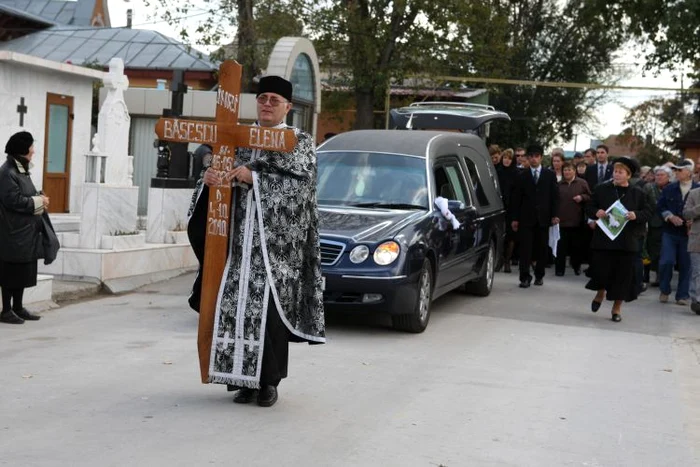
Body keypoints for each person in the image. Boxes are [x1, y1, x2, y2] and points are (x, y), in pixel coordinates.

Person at [187, 76, 325, 407]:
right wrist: (208, 182)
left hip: (276, 249)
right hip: (237, 243)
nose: (266, 104)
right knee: (234, 308)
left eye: (274, 100)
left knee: (270, 315)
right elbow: (219, 178)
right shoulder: (236, 138)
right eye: (262, 98)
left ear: (288, 107)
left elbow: (302, 191)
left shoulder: (298, 141)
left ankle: (268, 383)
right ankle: (240, 380)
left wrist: (256, 178)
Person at [586, 157, 653, 322]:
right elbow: (589, 206)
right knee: (601, 271)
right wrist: (596, 212)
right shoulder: (602, 189)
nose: (616, 174)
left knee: (622, 277)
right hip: (604, 240)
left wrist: (635, 215)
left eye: (620, 172)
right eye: (615, 171)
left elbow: (649, 212)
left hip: (626, 242)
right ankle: (600, 292)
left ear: (628, 175)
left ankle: (617, 309)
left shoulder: (638, 193)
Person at [0, 131, 50, 324]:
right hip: (12, 231)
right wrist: (37, 201)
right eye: (31, 148)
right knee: (9, 272)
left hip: (24, 232)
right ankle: (6, 310)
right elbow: (13, 200)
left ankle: (18, 308)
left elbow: (25, 192)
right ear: (22, 150)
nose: (33, 151)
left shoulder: (20, 170)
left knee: (21, 271)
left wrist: (38, 195)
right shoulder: (7, 172)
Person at [510, 144, 560, 288]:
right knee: (525, 249)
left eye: (536, 156)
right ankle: (524, 277)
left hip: (544, 218)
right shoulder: (522, 175)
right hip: (526, 218)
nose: (533, 159)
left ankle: (539, 275)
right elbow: (516, 198)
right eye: (530, 156)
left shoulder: (549, 175)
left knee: (542, 248)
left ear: (541, 157)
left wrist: (555, 214)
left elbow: (555, 196)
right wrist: (515, 218)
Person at [657, 159, 700, 306]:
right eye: (675, 170)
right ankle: (664, 289)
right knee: (666, 261)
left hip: (689, 234)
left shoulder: (697, 189)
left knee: (686, 265)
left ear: (689, 172)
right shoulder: (669, 188)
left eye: (680, 170)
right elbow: (660, 206)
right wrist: (669, 216)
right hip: (670, 231)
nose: (677, 173)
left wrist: (692, 220)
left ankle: (682, 295)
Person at [556, 161, 591, 276]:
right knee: (561, 247)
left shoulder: (582, 183)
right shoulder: (559, 184)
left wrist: (582, 197)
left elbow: (590, 197)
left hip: (577, 220)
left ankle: (576, 267)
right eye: (565, 170)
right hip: (562, 221)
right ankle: (560, 269)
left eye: (569, 170)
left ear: (574, 171)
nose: (567, 172)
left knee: (576, 247)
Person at [644, 166, 672, 286]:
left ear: (668, 177)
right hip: (652, 223)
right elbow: (643, 202)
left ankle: (661, 277)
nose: (659, 177)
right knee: (651, 250)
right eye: (657, 175)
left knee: (664, 252)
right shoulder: (649, 187)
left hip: (669, 224)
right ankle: (648, 275)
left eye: (662, 175)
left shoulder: (672, 188)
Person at [498, 148, 518, 272]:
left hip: (512, 207)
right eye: (505, 157)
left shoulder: (516, 173)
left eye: (509, 158)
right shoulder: (497, 171)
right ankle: (499, 260)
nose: (507, 160)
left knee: (511, 236)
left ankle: (507, 261)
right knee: (500, 234)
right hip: (499, 206)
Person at [682, 186, 700, 314]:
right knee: (697, 271)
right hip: (697, 240)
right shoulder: (694, 193)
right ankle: (697, 301)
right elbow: (686, 213)